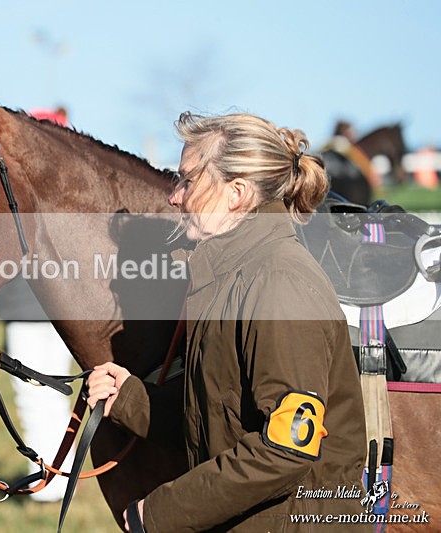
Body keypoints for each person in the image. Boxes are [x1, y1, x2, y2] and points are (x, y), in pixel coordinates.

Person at [87, 112, 368, 532]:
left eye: (187, 181)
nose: (174, 197)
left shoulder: (278, 283)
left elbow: (287, 448)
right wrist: (128, 398)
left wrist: (161, 513)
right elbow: (220, 409)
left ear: (236, 193)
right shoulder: (230, 274)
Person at [0, 276, 76, 503]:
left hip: (25, 312)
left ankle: (45, 486)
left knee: (32, 400)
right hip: (62, 308)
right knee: (55, 399)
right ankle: (63, 479)